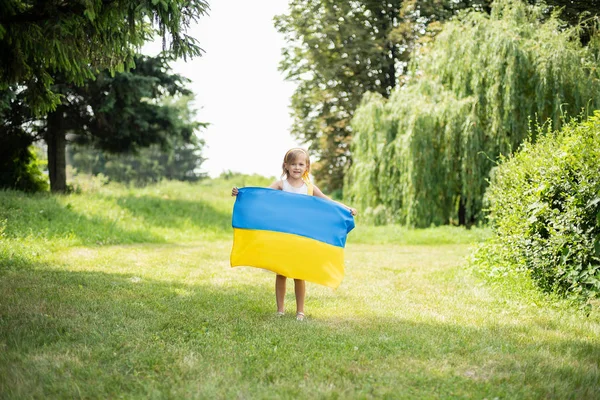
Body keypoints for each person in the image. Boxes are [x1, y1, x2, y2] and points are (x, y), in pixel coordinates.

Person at [231, 148, 357, 321]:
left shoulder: (310, 188)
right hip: (283, 237)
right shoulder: (281, 185)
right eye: (293, 164)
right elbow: (261, 196)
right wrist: (242, 194)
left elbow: (328, 202)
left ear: (306, 167)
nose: (297, 167)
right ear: (286, 166)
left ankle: (300, 311)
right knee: (281, 273)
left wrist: (346, 208)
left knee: (299, 274)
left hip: (301, 238)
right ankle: (280, 310)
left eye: (301, 164)